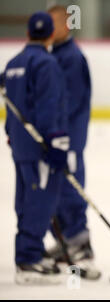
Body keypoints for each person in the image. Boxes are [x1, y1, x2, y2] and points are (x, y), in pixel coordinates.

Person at [3, 11, 69, 285]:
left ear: (28, 33)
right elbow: (48, 106)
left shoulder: (13, 63)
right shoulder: (47, 64)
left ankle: (30, 250)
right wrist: (56, 142)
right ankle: (28, 259)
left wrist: (11, 133)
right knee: (40, 201)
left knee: (26, 199)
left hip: (21, 145)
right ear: (50, 35)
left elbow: (12, 107)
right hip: (41, 147)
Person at [45, 5, 99, 280]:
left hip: (67, 141)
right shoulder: (52, 54)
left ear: (67, 25)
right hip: (54, 141)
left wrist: (59, 137)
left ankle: (82, 250)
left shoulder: (71, 58)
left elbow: (70, 103)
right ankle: (66, 242)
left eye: (53, 23)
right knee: (53, 192)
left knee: (70, 191)